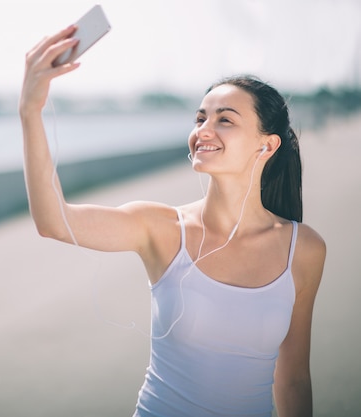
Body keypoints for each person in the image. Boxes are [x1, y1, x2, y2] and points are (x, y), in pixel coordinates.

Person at [19, 25, 326, 417]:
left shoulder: (305, 249)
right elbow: (54, 221)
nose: (203, 131)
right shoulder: (161, 228)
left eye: (224, 120)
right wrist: (31, 111)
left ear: (266, 145)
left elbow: (295, 377)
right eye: (200, 118)